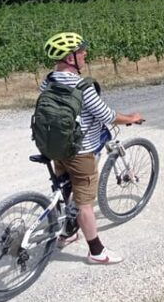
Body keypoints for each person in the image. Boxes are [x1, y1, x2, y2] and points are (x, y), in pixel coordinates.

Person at [42, 32, 143, 264]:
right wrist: (131, 118)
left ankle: (67, 232)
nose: (85, 53)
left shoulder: (48, 80)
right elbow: (107, 115)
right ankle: (97, 252)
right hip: (80, 152)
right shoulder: (82, 86)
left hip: (56, 146)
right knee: (85, 203)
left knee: (67, 188)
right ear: (70, 58)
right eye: (80, 51)